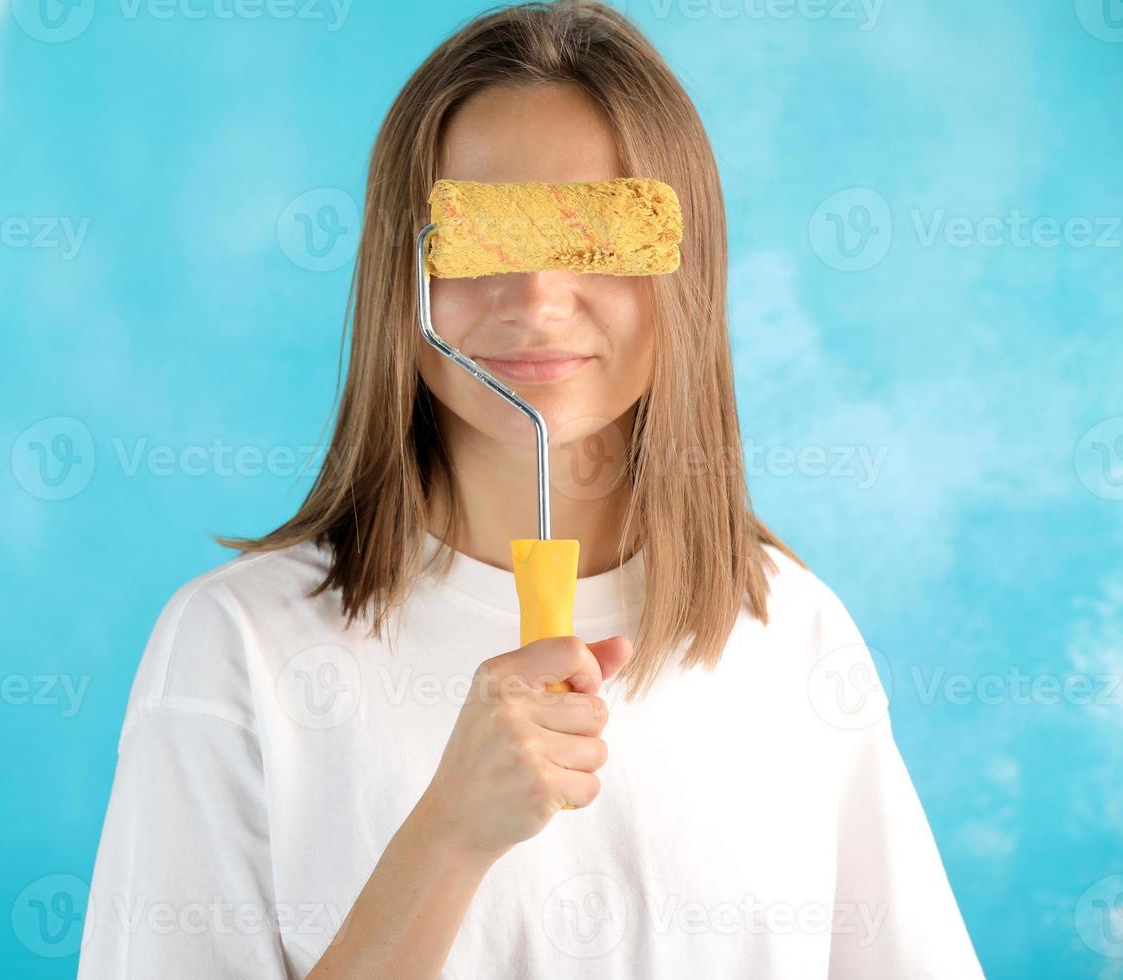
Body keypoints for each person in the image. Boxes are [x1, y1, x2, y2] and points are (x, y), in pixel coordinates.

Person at [78, 2, 984, 977]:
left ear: (688, 269)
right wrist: (449, 835)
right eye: (479, 235)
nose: (539, 297)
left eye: (600, 236)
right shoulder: (234, 647)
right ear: (406, 272)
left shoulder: (796, 634)